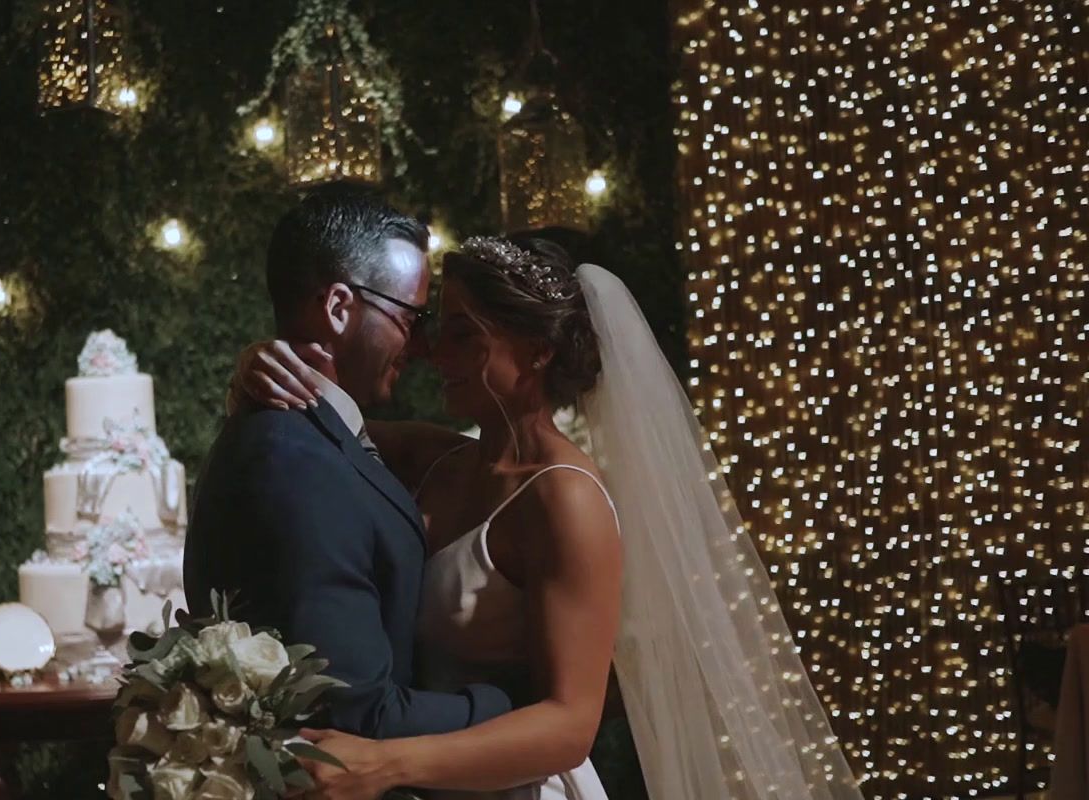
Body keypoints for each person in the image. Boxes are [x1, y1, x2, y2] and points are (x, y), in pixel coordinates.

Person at [231, 236, 865, 800]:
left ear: (534, 352)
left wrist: (384, 764)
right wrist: (255, 367)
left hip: (510, 785)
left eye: (462, 334)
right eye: (433, 329)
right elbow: (317, 431)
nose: (430, 352)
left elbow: (569, 724)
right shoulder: (435, 457)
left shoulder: (566, 499)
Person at [183, 187, 513, 740]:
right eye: (413, 316)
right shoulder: (295, 461)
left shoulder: (319, 437)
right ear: (339, 307)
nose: (425, 347)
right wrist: (509, 703)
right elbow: (358, 712)